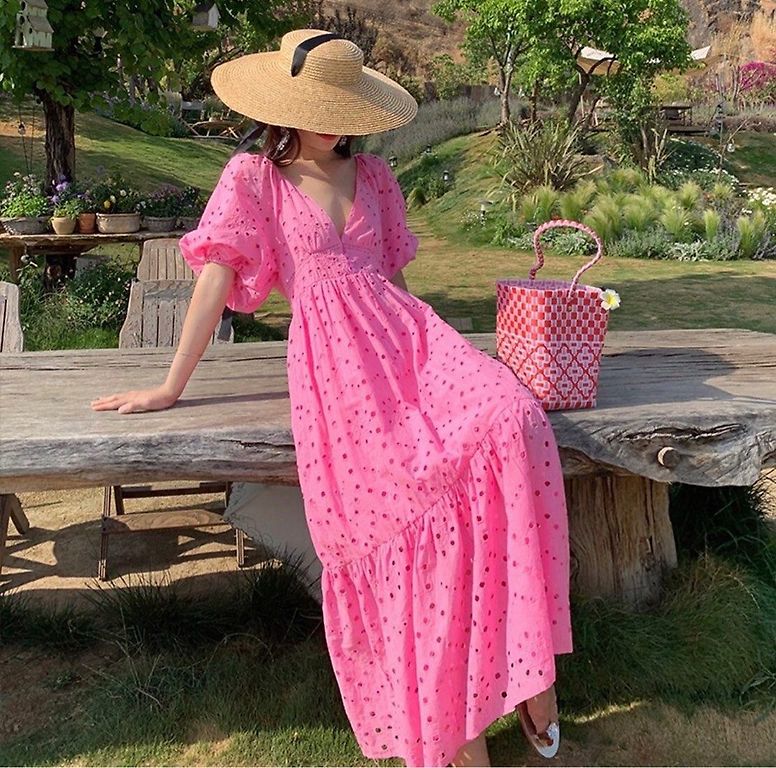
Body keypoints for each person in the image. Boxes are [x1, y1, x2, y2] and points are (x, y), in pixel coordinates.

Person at [90, 28, 572, 768]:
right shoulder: (254, 178)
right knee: (406, 507)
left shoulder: (373, 175)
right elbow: (214, 280)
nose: (331, 124)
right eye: (319, 108)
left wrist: (440, 358)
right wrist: (169, 385)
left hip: (408, 338)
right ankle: (456, 725)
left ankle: (532, 672)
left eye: (343, 110)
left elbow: (396, 282)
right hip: (336, 367)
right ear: (286, 105)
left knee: (515, 419)